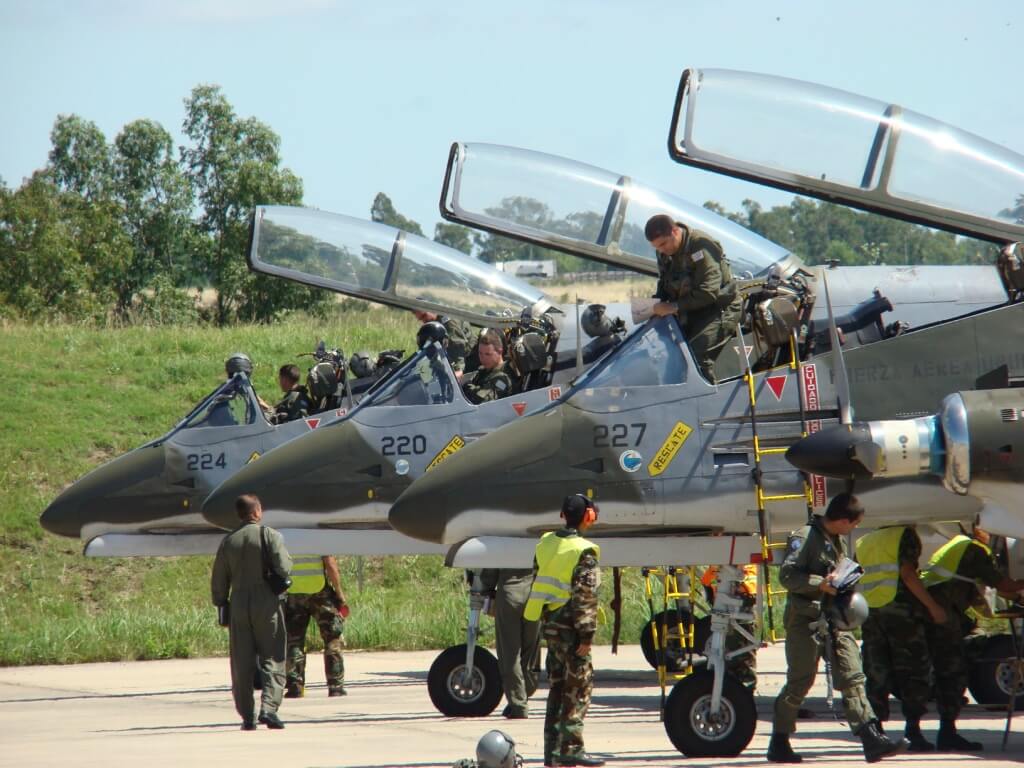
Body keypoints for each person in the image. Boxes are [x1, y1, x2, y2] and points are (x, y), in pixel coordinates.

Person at [767, 493, 908, 763]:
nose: (854, 528)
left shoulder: (836, 540)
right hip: (806, 621)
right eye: (853, 524)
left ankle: (872, 739)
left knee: (853, 677)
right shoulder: (805, 537)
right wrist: (820, 582)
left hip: (834, 619)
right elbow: (788, 575)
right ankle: (779, 740)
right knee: (800, 682)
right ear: (843, 520)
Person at [920, 522, 1024, 751]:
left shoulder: (958, 545)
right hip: (942, 616)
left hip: (931, 612)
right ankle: (947, 733)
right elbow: (1002, 584)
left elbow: (992, 589)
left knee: (933, 672)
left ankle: (917, 733)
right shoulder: (976, 551)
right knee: (953, 672)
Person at [524, 494, 605, 768]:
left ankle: (553, 752)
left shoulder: (546, 543)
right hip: (572, 627)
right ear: (588, 517)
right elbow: (585, 596)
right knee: (578, 688)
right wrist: (586, 635)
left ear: (562, 515)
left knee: (558, 689)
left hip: (551, 625)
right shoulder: (584, 550)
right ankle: (571, 750)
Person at [856, 525, 947, 751]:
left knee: (877, 672)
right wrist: (933, 607)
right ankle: (913, 732)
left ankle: (876, 734)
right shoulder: (904, 535)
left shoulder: (864, 540)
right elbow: (908, 574)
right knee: (914, 671)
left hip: (871, 613)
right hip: (900, 614)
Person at [211, 494, 292, 730]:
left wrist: (221, 603)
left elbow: (219, 581)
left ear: (239, 514)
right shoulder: (270, 535)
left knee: (241, 662)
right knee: (273, 656)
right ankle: (269, 708)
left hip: (238, 603)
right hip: (266, 602)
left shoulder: (229, 542)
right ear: (256, 512)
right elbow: (284, 568)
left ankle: (247, 716)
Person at [644, 214, 743, 382]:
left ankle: (707, 404)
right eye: (657, 247)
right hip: (691, 310)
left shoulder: (701, 246)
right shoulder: (664, 253)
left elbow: (709, 291)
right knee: (672, 355)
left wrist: (674, 307)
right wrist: (656, 304)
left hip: (720, 309)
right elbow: (665, 281)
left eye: (663, 244)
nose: (661, 250)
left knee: (694, 359)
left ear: (675, 231)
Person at [284, 554, 349, 698]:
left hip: (294, 592)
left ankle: (295, 686)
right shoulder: (318, 536)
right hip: (319, 592)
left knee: (294, 641)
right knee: (332, 638)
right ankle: (335, 686)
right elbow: (330, 564)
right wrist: (339, 594)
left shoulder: (285, 536)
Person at [481, 567, 541, 719]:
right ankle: (525, 692)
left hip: (509, 595)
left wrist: (485, 588)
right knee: (531, 650)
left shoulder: (502, 542)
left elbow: (490, 572)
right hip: (535, 595)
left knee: (510, 654)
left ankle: (518, 704)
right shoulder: (542, 541)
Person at [699, 564, 758, 689]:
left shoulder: (728, 563)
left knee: (739, 650)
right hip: (736, 606)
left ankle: (743, 685)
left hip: (738, 606)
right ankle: (740, 685)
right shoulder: (739, 563)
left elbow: (706, 580)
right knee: (738, 650)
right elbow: (706, 579)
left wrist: (710, 593)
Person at [413, 308, 472, 379]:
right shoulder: (435, 322)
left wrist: (458, 369)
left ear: (432, 308)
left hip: (470, 360)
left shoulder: (448, 322)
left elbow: (458, 345)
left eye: (424, 316)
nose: (424, 321)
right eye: (420, 319)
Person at [462, 330, 513, 404]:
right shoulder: (483, 370)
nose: (483, 358)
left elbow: (485, 401)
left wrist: (467, 387)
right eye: (480, 353)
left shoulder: (503, 378)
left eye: (488, 354)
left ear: (499, 352)